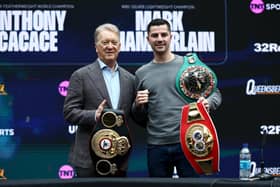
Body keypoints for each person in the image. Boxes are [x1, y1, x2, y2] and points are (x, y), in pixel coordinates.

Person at [132, 18, 222, 177]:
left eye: (163, 34)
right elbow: (139, 117)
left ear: (171, 37)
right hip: (156, 145)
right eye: (155, 35)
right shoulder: (141, 73)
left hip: (189, 141)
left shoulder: (188, 65)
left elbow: (215, 93)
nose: (160, 39)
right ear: (148, 39)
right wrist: (138, 105)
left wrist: (208, 102)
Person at [63, 23, 136, 177]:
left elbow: (134, 116)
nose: (110, 46)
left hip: (119, 159)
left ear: (120, 46)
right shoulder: (81, 76)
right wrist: (94, 115)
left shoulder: (130, 79)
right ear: (96, 46)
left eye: (114, 42)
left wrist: (141, 106)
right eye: (105, 42)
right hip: (88, 159)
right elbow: (69, 112)